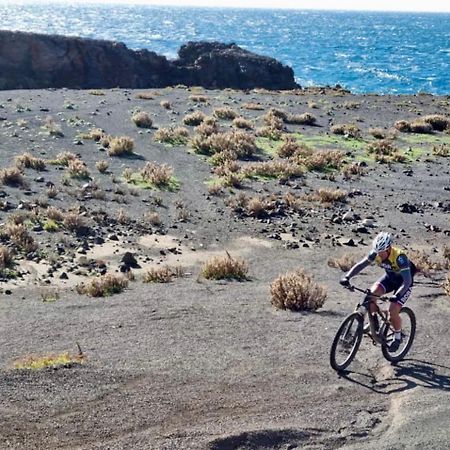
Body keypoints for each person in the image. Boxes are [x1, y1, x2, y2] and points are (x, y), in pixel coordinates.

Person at [339, 232, 416, 352]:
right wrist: (347, 277)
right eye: (377, 252)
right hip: (389, 279)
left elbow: (407, 282)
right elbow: (360, 265)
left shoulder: (400, 258)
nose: (379, 255)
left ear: (389, 249)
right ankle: (374, 320)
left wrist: (397, 296)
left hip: (403, 284)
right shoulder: (375, 253)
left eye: (382, 252)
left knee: (393, 310)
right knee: (369, 295)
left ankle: (397, 336)